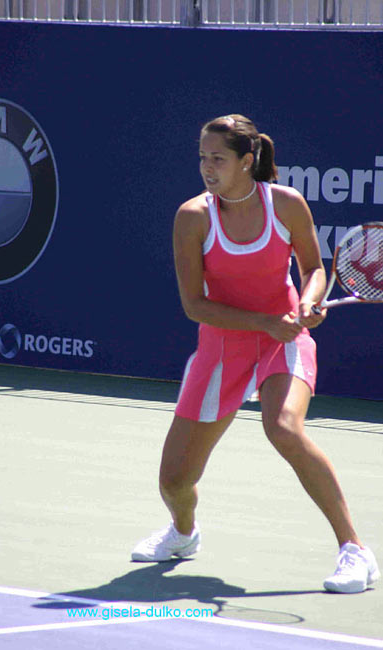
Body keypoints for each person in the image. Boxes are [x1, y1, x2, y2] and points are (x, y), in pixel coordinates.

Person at [131, 114, 380, 594]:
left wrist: (307, 303)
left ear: (247, 161)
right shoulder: (192, 216)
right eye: (203, 157)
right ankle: (183, 533)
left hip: (281, 343)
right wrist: (264, 321)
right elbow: (193, 305)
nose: (207, 167)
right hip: (222, 346)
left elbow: (313, 269)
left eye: (218, 158)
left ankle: (355, 550)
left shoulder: (285, 204)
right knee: (174, 482)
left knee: (283, 428)